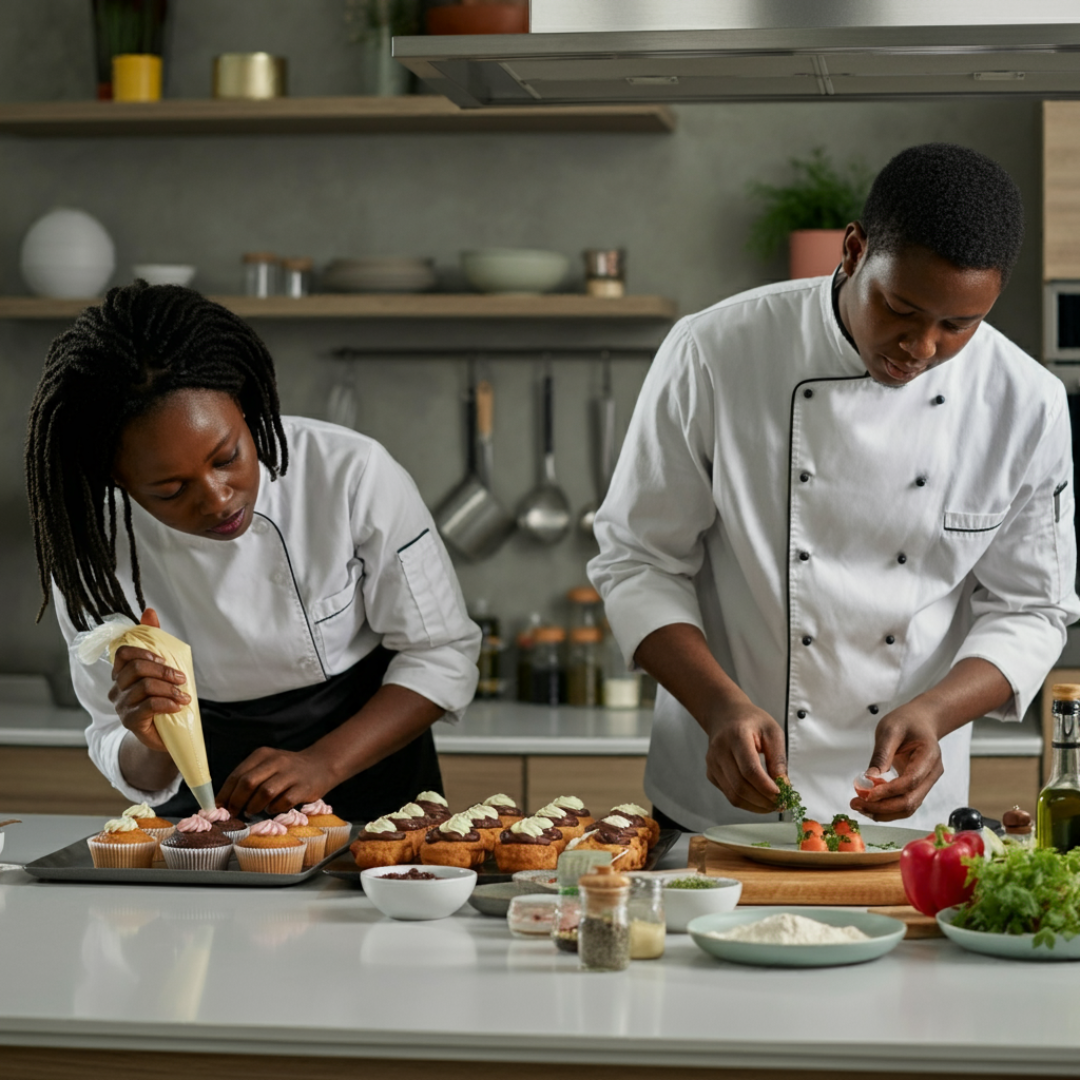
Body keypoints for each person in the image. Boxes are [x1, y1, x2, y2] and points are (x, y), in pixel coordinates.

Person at [589, 142, 1080, 832]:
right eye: (900, 308)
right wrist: (717, 706)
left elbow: (1032, 608)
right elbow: (638, 559)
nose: (923, 347)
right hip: (719, 804)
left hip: (908, 821)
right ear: (853, 250)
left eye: (958, 325)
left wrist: (937, 712)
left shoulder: (1025, 402)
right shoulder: (715, 352)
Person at [26, 281, 480, 820]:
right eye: (170, 491)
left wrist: (323, 763)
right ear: (118, 480)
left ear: (244, 407)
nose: (218, 500)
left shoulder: (349, 474)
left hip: (372, 787)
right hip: (204, 810)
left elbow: (441, 653)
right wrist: (151, 739)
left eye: (227, 457)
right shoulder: (91, 548)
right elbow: (111, 739)